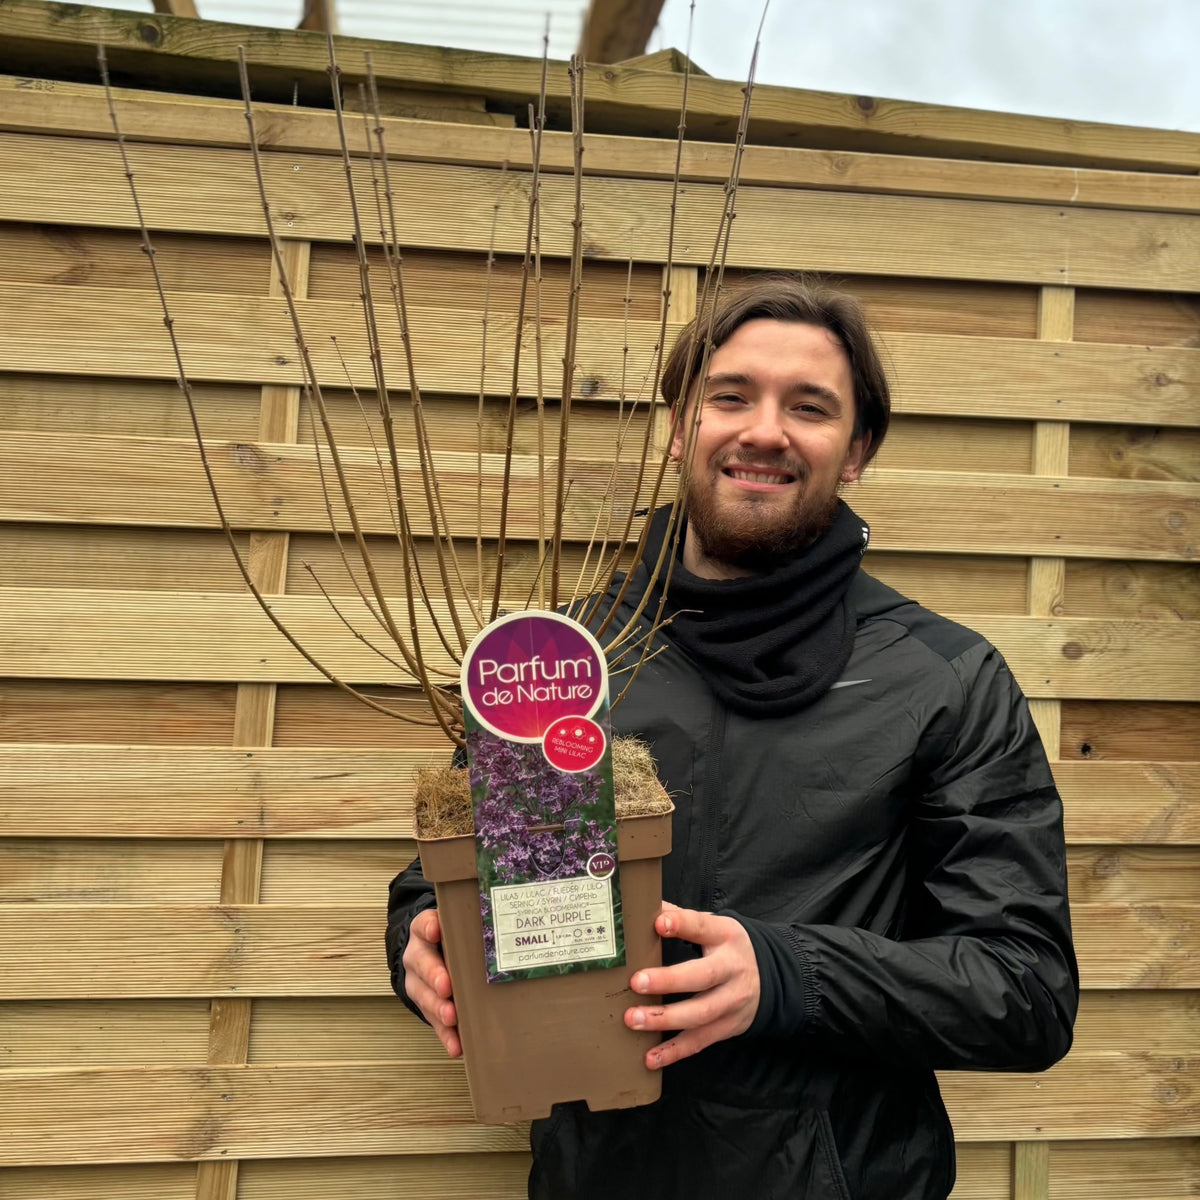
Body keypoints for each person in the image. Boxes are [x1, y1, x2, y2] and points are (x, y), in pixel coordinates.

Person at [387, 275, 1079, 1199]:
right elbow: (443, 877)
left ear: (857, 450)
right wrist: (422, 949)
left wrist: (791, 975)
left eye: (809, 407)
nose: (764, 431)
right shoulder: (562, 664)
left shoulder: (943, 679)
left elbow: (1025, 991)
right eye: (731, 396)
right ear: (681, 427)